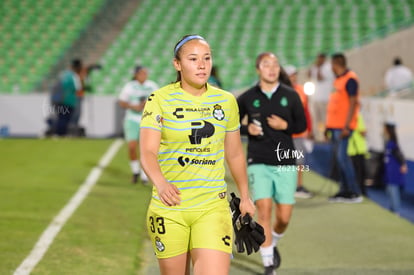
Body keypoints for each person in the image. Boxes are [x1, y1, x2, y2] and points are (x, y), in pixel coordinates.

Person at [139, 35, 256, 275]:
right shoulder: (159, 99)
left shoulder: (226, 101)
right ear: (177, 64)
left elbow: (234, 154)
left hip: (212, 206)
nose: (202, 65)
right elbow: (147, 152)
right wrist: (161, 184)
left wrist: (245, 196)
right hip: (170, 207)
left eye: (206, 58)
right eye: (193, 59)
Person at [237, 53, 307, 275]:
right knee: (264, 211)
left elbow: (301, 125)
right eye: (266, 64)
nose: (272, 68)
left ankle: (273, 241)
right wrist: (248, 129)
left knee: (284, 217)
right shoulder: (247, 97)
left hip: (286, 160)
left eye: (275, 64)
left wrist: (285, 124)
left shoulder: (291, 95)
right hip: (258, 160)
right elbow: (231, 125)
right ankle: (268, 265)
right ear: (258, 69)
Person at [326, 53, 362, 203]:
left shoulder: (350, 79)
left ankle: (354, 192)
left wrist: (347, 126)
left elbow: (353, 103)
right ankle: (343, 191)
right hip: (335, 127)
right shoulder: (338, 80)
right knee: (340, 160)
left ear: (336, 64)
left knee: (343, 159)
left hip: (343, 128)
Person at [119, 65, 158, 184]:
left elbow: (159, 100)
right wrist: (133, 106)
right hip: (132, 119)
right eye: (142, 73)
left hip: (148, 119)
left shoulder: (152, 85)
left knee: (146, 148)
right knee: (132, 146)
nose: (144, 76)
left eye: (145, 73)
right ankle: (135, 171)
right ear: (136, 75)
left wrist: (148, 103)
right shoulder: (129, 86)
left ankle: (144, 175)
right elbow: (121, 102)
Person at [285, 65, 313, 199]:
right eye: (291, 75)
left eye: (294, 74)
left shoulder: (301, 90)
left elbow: (306, 111)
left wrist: (309, 128)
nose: (293, 77)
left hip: (299, 132)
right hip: (284, 133)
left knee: (299, 161)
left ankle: (298, 186)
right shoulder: (280, 91)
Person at [308, 53, 334, 141]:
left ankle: (325, 136)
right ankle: (317, 136)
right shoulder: (315, 66)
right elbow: (309, 75)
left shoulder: (328, 67)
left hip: (325, 99)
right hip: (315, 98)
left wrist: (318, 68)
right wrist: (314, 66)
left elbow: (320, 77)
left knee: (324, 119)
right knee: (316, 119)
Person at [383, 122, 408, 214]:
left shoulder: (393, 144)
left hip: (394, 171)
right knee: (389, 190)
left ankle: (396, 209)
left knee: (393, 190)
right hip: (389, 171)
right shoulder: (388, 142)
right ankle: (392, 208)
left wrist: (403, 164)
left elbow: (399, 155)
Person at [54, 59, 83, 136]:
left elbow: (56, 86)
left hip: (58, 100)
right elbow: (78, 89)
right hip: (69, 101)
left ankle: (58, 134)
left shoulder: (63, 74)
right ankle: (62, 134)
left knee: (61, 117)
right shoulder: (74, 76)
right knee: (66, 119)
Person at [347, 111, 368, 196]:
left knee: (352, 172)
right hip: (358, 150)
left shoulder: (345, 116)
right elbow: (362, 131)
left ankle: (353, 190)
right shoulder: (357, 116)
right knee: (360, 174)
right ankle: (359, 192)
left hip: (350, 149)